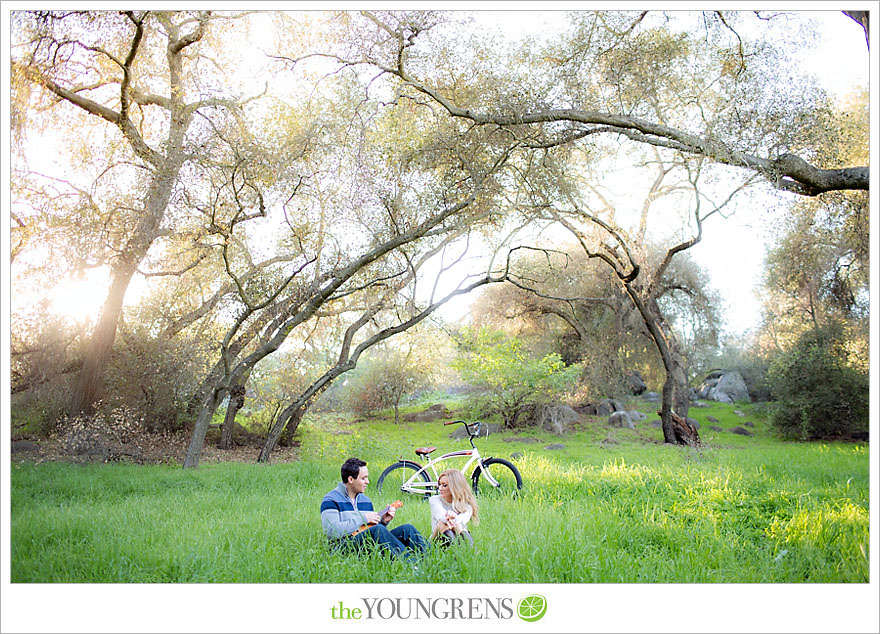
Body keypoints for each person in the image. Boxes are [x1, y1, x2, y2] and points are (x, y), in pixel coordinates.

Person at [320, 457, 428, 561]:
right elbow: (331, 531)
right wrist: (363, 518)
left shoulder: (365, 500)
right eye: (363, 478)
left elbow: (369, 531)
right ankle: (412, 564)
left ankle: (429, 559)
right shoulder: (331, 499)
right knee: (378, 530)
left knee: (407, 529)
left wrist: (384, 521)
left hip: (365, 546)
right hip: (343, 548)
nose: (367, 482)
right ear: (351, 479)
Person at [429, 469, 479, 547]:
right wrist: (449, 516)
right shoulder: (434, 500)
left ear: (455, 487)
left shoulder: (467, 505)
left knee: (458, 525)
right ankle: (451, 549)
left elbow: (463, 520)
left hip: (459, 535)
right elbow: (441, 516)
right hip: (438, 540)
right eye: (439, 484)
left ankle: (467, 550)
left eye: (444, 485)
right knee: (442, 524)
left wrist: (454, 517)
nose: (440, 488)